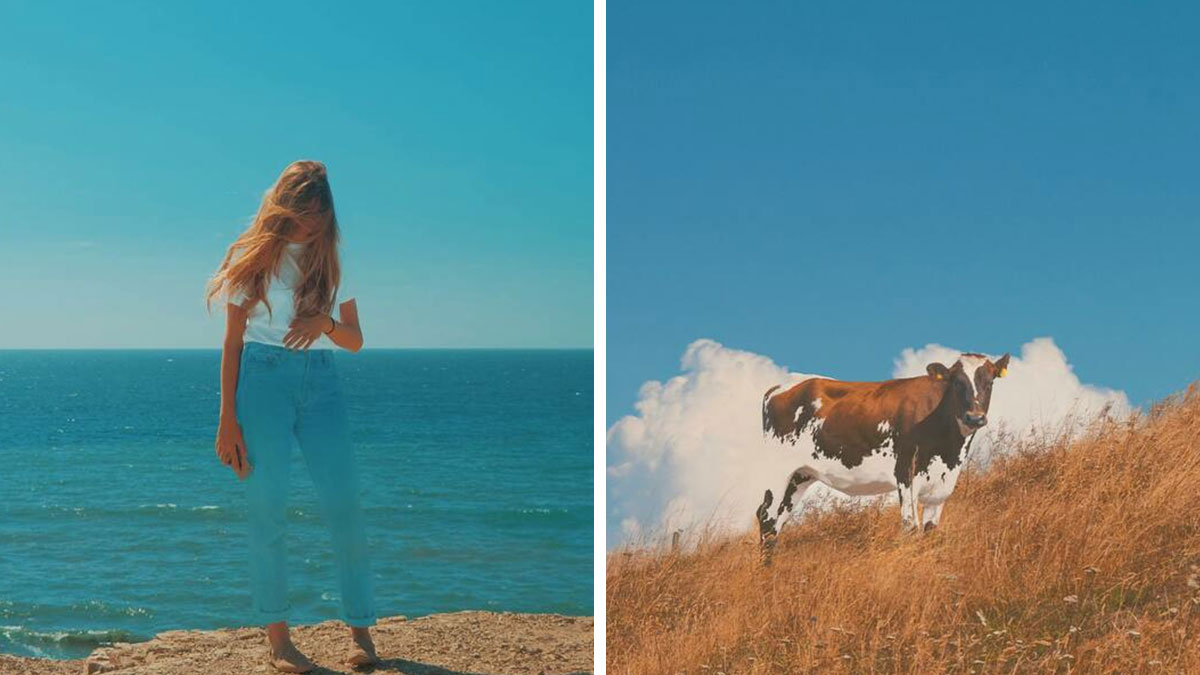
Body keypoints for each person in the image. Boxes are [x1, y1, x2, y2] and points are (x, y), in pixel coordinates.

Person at [205, 160, 378, 672]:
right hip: (262, 381)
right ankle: (280, 640)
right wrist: (226, 422)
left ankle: (361, 634)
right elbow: (232, 343)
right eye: (303, 213)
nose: (310, 224)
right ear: (285, 208)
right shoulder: (254, 260)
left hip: (322, 380)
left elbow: (355, 342)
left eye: (319, 215)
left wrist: (322, 321)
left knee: (345, 505)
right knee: (268, 509)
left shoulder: (334, 259)